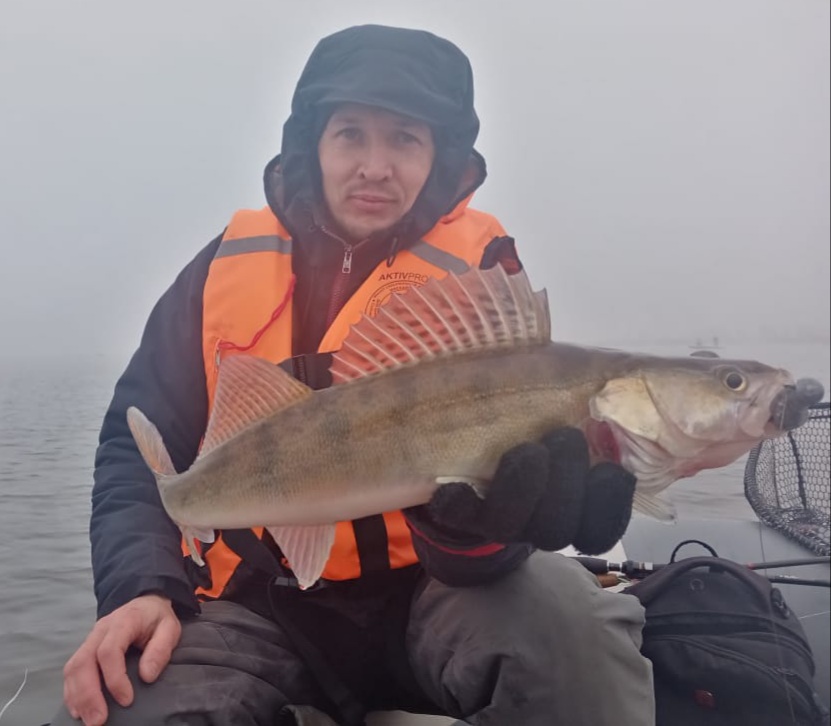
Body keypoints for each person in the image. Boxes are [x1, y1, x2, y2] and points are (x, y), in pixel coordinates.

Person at [54, 24, 654, 726]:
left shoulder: (482, 279)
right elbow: (134, 450)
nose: (375, 165)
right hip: (253, 599)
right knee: (127, 702)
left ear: (438, 156)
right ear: (312, 144)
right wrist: (140, 584)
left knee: (576, 648)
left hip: (434, 585)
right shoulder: (219, 269)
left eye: (404, 138)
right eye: (350, 135)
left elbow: (504, 480)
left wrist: (485, 534)